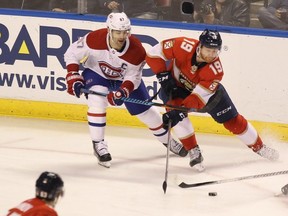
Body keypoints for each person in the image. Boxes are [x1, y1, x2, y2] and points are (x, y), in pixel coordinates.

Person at [64, 12, 187, 168]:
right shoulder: (94, 38)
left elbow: (133, 78)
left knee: (147, 113)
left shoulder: (137, 50)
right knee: (97, 101)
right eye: (117, 31)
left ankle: (168, 141)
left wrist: (123, 92)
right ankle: (99, 145)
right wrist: (73, 75)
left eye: (125, 31)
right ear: (109, 29)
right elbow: (72, 53)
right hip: (97, 74)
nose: (122, 35)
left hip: (123, 80)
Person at [145, 29, 279, 171]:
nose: (212, 55)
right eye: (208, 50)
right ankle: (193, 151)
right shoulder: (182, 45)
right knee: (178, 118)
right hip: (175, 88)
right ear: (200, 46)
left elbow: (198, 97)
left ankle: (260, 147)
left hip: (208, 96)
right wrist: (163, 76)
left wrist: (180, 112)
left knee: (233, 122)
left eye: (215, 51)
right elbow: (153, 54)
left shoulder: (216, 70)